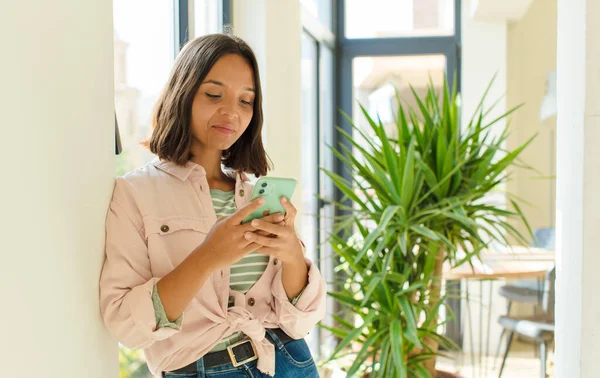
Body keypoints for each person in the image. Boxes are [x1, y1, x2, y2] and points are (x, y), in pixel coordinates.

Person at [100, 33, 326, 378]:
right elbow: (124, 324)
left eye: (246, 101)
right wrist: (209, 255)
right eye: (213, 94)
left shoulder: (255, 196)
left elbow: (301, 319)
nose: (231, 112)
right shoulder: (135, 192)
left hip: (288, 360)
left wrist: (293, 254)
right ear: (184, 92)